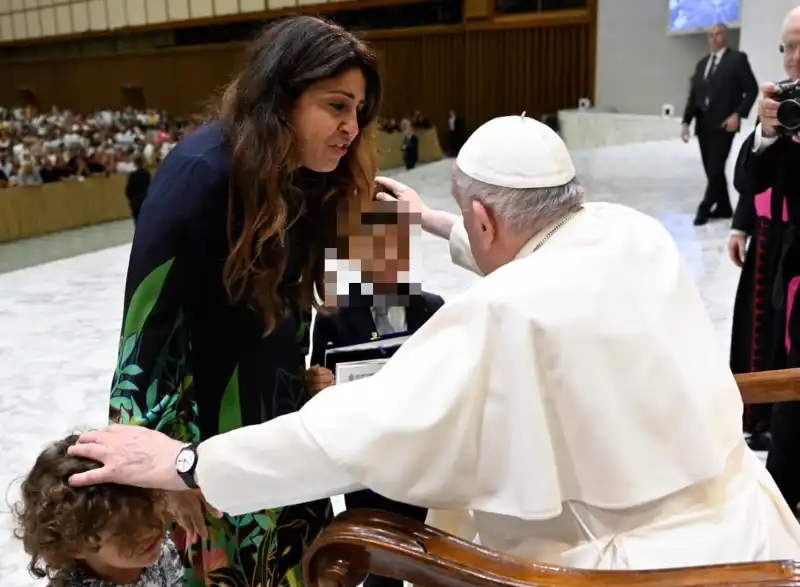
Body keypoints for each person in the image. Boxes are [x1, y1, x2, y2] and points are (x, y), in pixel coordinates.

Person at [70, 115, 800, 570]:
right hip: (749, 528)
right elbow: (540, 251)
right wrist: (437, 223)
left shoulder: (505, 310)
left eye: (462, 214)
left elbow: (354, 432)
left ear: (485, 216)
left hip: (618, 566)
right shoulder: (629, 231)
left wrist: (192, 460)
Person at [104, 15, 381, 587]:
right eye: (336, 106)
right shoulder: (200, 173)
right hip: (203, 450)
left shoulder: (304, 177)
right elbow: (146, 341)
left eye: (358, 110)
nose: (351, 126)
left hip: (278, 439)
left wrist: (304, 380)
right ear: (281, 97)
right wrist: (168, 471)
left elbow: (279, 318)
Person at [307, 198, 444, 587]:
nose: (388, 257)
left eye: (397, 245)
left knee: (432, 555)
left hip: (422, 458)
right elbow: (321, 377)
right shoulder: (334, 314)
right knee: (378, 562)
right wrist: (318, 384)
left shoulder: (432, 308)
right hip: (369, 465)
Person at [732, 5, 800, 517]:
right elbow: (748, 180)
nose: (792, 58)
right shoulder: (783, 101)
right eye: (786, 47)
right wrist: (770, 132)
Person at [13, 435, 184, 587]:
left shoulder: (158, 548)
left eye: (151, 510)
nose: (151, 530)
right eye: (126, 529)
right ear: (75, 545)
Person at [681, 23, 758, 226]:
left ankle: (704, 208)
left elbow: (751, 90)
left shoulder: (737, 59)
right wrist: (686, 122)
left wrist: (737, 115)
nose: (714, 38)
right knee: (711, 170)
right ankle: (724, 208)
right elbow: (694, 96)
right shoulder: (702, 64)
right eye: (711, 35)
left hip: (725, 124)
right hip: (703, 125)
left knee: (715, 168)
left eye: (718, 34)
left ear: (725, 36)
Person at [124, 154, 151, 224]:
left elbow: (128, 190)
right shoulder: (146, 174)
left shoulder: (132, 176)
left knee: (137, 221)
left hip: (135, 201)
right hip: (144, 199)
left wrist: (131, 200)